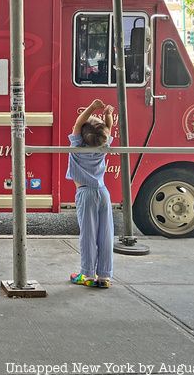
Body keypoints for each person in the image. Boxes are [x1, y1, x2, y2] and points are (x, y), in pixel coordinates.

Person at [67, 98, 114, 289]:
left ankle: (86, 274)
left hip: (85, 194)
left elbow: (78, 123)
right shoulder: (102, 147)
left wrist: (92, 108)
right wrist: (108, 116)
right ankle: (104, 276)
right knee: (106, 234)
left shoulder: (78, 146)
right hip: (103, 193)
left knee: (88, 234)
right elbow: (106, 131)